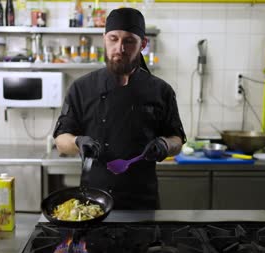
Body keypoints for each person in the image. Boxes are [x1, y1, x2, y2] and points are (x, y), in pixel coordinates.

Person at [53, 7, 186, 209]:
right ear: (104, 38)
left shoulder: (161, 91)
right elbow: (61, 140)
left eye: (129, 41)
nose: (120, 48)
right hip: (93, 204)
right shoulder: (82, 88)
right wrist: (78, 142)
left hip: (143, 204)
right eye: (113, 39)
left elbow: (177, 140)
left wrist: (165, 145)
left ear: (143, 44)